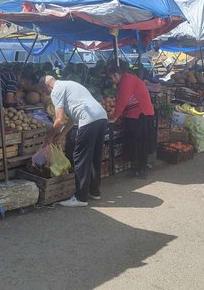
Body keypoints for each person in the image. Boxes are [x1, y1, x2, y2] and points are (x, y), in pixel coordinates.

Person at [43, 75, 108, 207]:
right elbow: (72, 118)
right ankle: (94, 191)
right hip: (102, 117)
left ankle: (80, 197)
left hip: (88, 119)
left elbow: (59, 120)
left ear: (47, 86)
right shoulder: (70, 84)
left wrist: (49, 137)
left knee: (81, 157)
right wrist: (61, 135)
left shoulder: (56, 91)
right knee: (95, 156)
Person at [106, 66, 155, 179]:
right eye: (111, 77)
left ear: (120, 73)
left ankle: (142, 169)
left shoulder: (126, 80)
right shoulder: (126, 80)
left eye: (115, 75)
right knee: (136, 142)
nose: (113, 79)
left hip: (141, 114)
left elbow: (122, 101)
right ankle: (138, 168)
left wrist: (114, 117)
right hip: (136, 114)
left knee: (140, 142)